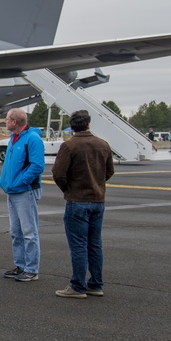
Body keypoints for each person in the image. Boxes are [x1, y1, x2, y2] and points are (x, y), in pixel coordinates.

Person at [51, 110, 114, 298]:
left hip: (77, 201)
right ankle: (95, 283)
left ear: (72, 127)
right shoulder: (103, 145)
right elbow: (109, 171)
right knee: (95, 244)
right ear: (88, 124)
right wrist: (97, 183)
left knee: (78, 245)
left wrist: (69, 189)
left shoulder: (69, 146)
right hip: (98, 200)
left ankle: (78, 285)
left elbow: (58, 173)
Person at [0, 108, 45, 282]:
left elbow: (37, 166)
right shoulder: (14, 138)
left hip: (25, 192)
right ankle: (21, 266)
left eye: (7, 119)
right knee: (16, 232)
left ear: (14, 122)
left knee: (29, 232)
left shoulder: (32, 139)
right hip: (13, 191)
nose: (5, 121)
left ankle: (32, 269)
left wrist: (20, 181)